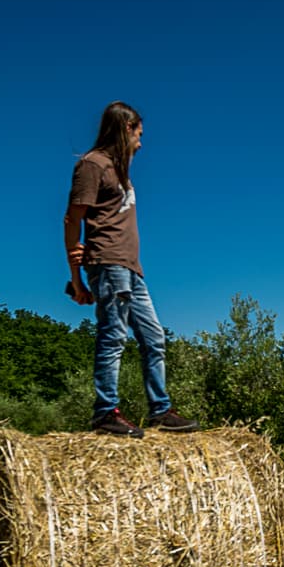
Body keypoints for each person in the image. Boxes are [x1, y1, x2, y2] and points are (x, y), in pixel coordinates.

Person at [64, 101, 198, 437]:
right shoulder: (92, 165)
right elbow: (72, 218)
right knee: (113, 337)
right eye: (138, 135)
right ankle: (105, 412)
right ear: (126, 128)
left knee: (154, 338)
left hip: (132, 268)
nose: (141, 143)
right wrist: (76, 278)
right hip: (108, 263)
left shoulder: (120, 171)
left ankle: (160, 410)